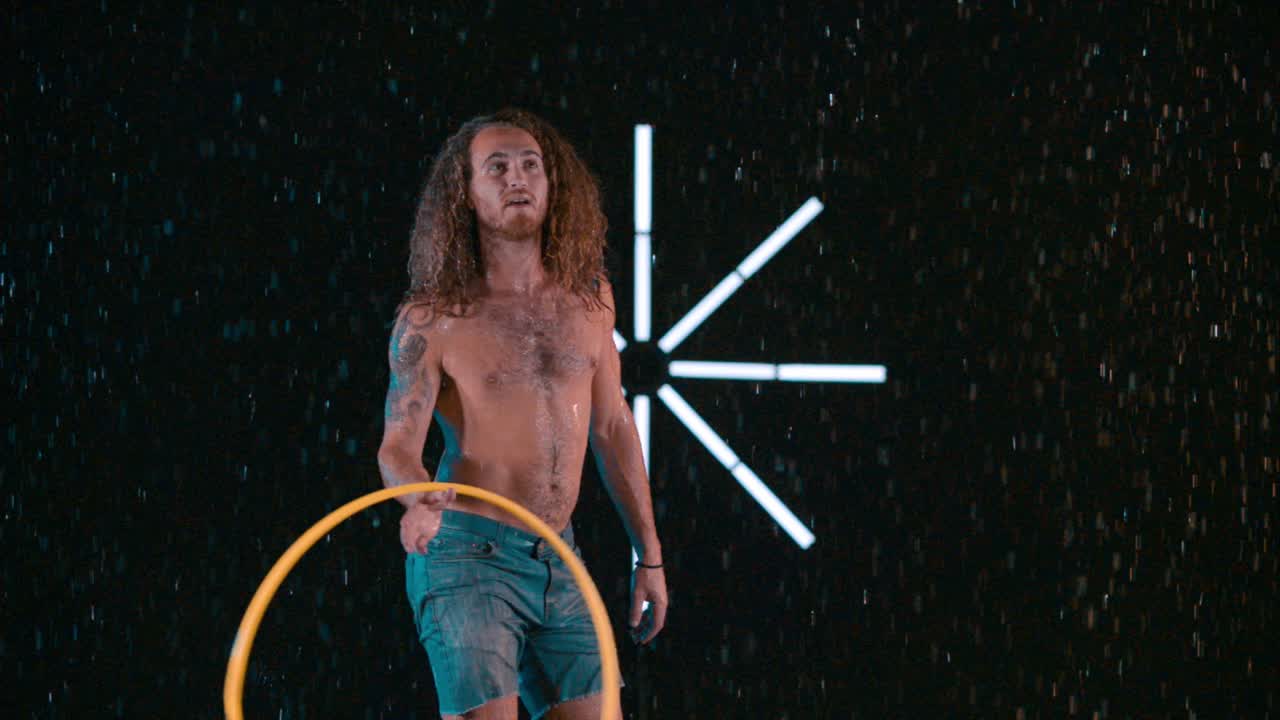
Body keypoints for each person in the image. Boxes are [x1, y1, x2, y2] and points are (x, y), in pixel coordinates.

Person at [377, 108, 667, 720]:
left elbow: (613, 426)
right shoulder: (432, 318)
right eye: (497, 167)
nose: (517, 178)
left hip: (559, 555)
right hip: (468, 558)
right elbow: (397, 444)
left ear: (551, 184)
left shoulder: (591, 300)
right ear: (466, 192)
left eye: (531, 165)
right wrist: (416, 498)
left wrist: (649, 554)